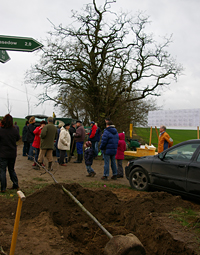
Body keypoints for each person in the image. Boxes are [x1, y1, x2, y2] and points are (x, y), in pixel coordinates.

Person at [0, 114, 20, 193]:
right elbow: (18, 138)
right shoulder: (14, 130)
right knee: (11, 169)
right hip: (12, 153)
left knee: (2, 170)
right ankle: (15, 184)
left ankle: (3, 187)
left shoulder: (1, 130)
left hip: (3, 154)